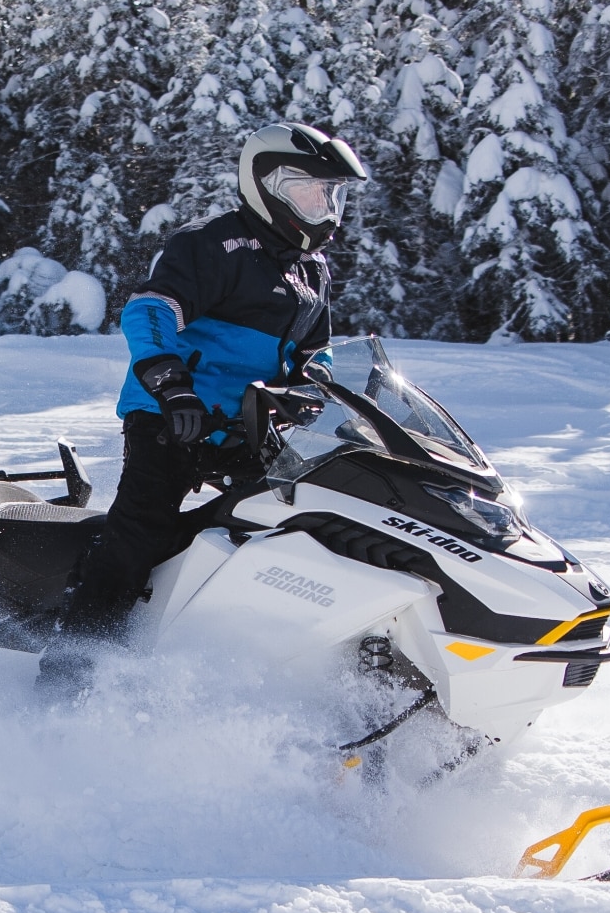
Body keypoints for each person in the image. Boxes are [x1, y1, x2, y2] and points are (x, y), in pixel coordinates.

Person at [37, 121, 368, 699]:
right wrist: (171, 384)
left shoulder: (312, 270)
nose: (324, 205)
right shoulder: (212, 244)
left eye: (331, 193)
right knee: (140, 530)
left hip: (253, 427)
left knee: (287, 529)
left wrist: (325, 396)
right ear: (267, 185)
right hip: (173, 415)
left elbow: (318, 352)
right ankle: (71, 667)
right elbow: (150, 312)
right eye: (310, 190)